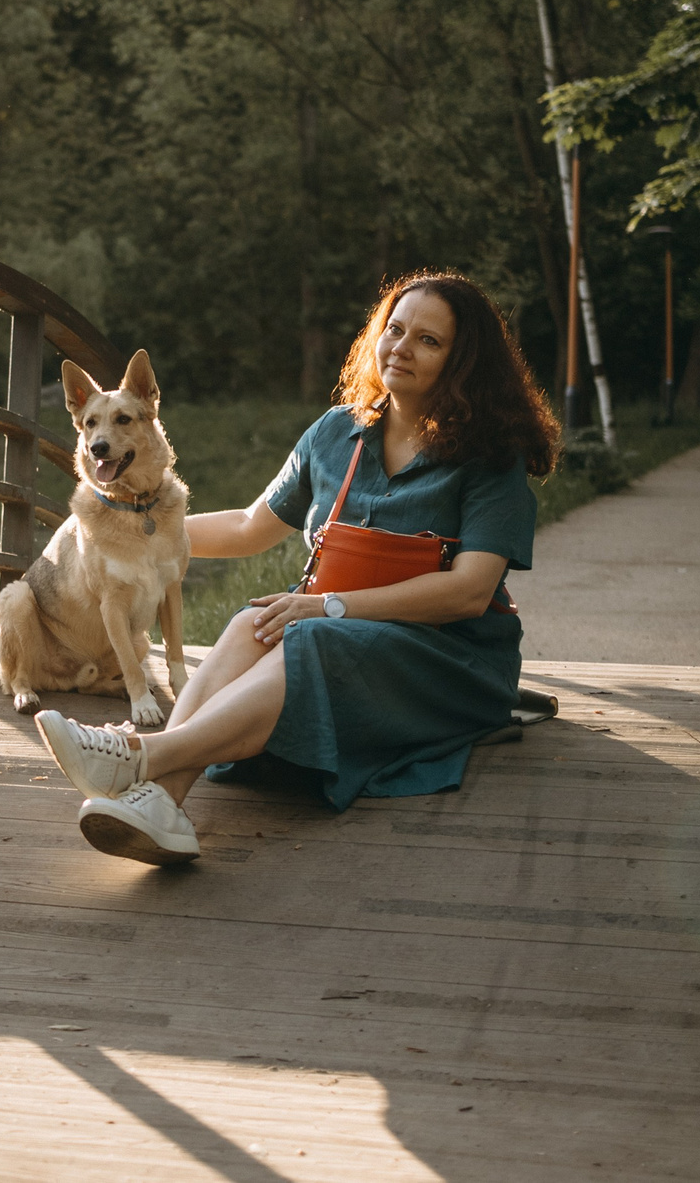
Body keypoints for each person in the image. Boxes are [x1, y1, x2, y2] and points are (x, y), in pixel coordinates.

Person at [35, 271, 561, 864]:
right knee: (251, 621)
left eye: (428, 341)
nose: (401, 347)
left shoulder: (491, 456)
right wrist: (110, 532)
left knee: (307, 635)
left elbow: (468, 593)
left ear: (465, 362)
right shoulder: (337, 433)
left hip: (447, 657)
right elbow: (247, 527)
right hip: (336, 631)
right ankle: (162, 804)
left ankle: (144, 757)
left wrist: (330, 605)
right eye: (394, 329)